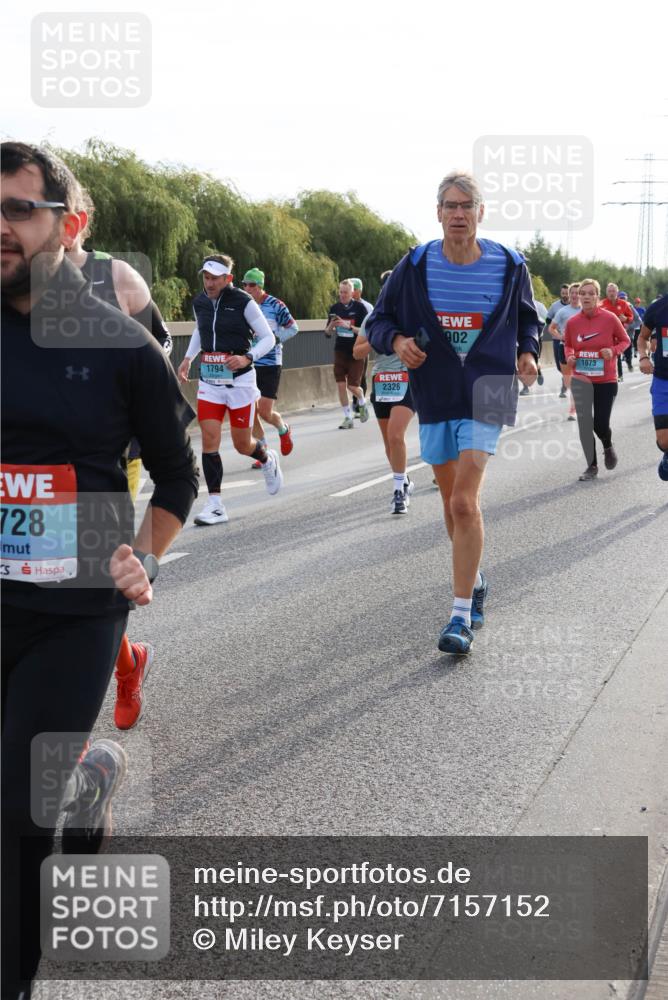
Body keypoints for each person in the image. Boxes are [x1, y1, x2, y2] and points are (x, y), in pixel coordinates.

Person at [1, 141, 198, 999]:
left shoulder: (119, 345)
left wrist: (144, 558)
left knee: (14, 816)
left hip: (74, 612)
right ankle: (89, 776)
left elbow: (177, 472)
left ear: (63, 224)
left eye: (17, 209)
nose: (0, 227)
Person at [367, 170, 539, 654]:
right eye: (450, 206)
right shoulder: (416, 264)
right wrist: (397, 341)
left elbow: (529, 316)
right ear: (438, 212)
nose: (459, 214)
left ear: (481, 212)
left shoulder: (509, 264)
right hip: (436, 390)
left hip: (489, 387)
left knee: (465, 502)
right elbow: (378, 320)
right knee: (449, 505)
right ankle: (476, 577)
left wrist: (526, 350)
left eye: (467, 206)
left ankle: (460, 616)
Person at [67, 188, 175, 730]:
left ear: (73, 222)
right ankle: (127, 660)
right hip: (22, 464)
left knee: (86, 583)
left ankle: (74, 744)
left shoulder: (117, 281)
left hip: (107, 458)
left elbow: (157, 359)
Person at [178, 255, 282, 525]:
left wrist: (247, 357)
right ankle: (215, 505)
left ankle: (266, 458)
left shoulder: (243, 302)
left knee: (241, 444)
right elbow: (200, 331)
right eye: (206, 277)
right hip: (210, 383)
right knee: (209, 439)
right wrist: (189, 358)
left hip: (240, 382)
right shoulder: (200, 301)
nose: (209, 283)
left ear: (228, 279)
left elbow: (269, 337)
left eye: (214, 278)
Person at [353, 270, 416, 514]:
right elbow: (357, 353)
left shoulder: (415, 313)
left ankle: (398, 492)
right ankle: (405, 480)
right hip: (382, 381)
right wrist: (382, 340)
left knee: (396, 435)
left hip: (408, 379)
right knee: (389, 441)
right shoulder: (374, 318)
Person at [563, 278, 630, 481]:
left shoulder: (610, 319)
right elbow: (567, 345)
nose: (585, 297)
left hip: (606, 380)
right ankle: (591, 466)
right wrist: (570, 356)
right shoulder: (573, 323)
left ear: (597, 297)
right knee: (584, 424)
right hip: (582, 379)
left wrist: (613, 350)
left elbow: (626, 340)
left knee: (600, 424)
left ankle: (607, 445)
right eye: (582, 293)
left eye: (590, 293)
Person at [240, 267, 298, 468]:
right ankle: (262, 450)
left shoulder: (275, 305)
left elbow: (293, 328)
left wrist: (273, 340)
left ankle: (283, 429)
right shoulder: (243, 305)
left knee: (265, 412)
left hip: (271, 363)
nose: (247, 288)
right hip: (249, 363)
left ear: (260, 287)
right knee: (251, 410)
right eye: (244, 284)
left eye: (252, 285)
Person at [325, 279, 370, 428]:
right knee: (340, 385)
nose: (342, 295)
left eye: (345, 292)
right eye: (340, 292)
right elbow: (327, 334)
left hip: (355, 351)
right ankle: (347, 417)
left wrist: (347, 326)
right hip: (340, 350)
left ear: (352, 293)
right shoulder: (335, 308)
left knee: (352, 386)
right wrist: (332, 325)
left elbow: (365, 332)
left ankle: (362, 400)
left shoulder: (360, 308)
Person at [637, 292, 668, 480]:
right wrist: (643, 357)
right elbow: (642, 338)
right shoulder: (659, 308)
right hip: (664, 380)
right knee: (664, 441)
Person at [549, 282, 581, 420]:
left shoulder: (586, 310)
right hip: (565, 347)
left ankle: (573, 410)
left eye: (576, 293)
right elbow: (551, 328)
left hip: (582, 349)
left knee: (577, 379)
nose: (574, 295)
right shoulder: (563, 311)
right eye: (571, 293)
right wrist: (560, 336)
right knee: (569, 382)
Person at [349, 278, 373, 415]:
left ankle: (359, 403)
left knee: (361, 376)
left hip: (362, 345)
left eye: (354, 290)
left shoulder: (367, 307)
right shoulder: (346, 305)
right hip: (348, 346)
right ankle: (356, 400)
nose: (352, 293)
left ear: (359, 291)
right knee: (351, 376)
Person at [600, 282, 634, 380]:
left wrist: (626, 319)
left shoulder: (623, 304)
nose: (611, 293)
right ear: (606, 292)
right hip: (604, 334)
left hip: (619, 333)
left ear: (617, 292)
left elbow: (631, 317)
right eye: (609, 291)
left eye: (613, 291)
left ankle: (619, 375)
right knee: (605, 354)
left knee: (616, 354)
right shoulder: (601, 304)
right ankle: (604, 374)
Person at [546, 283, 570, 396]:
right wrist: (555, 328)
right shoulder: (554, 306)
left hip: (571, 340)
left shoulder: (576, 306)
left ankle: (565, 385)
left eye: (567, 293)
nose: (565, 295)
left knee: (569, 362)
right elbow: (548, 319)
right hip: (557, 338)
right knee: (559, 364)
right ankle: (565, 377)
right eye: (563, 293)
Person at [519, 298, 547, 394]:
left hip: (537, 338)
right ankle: (525, 387)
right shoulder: (519, 303)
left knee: (535, 361)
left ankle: (538, 369)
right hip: (521, 338)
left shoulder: (540, 306)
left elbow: (545, 321)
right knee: (522, 363)